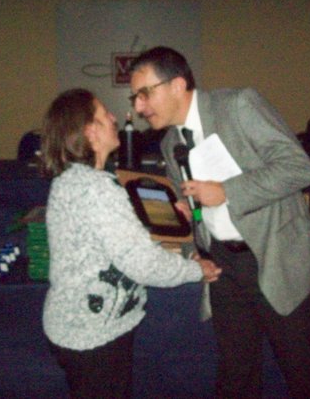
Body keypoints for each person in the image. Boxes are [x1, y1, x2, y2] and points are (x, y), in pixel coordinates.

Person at [128, 47, 310, 398]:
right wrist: (191, 238)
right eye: (135, 97)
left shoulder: (238, 105)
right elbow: (196, 210)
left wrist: (227, 192)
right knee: (236, 373)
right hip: (223, 266)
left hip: (274, 256)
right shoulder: (171, 143)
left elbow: (299, 169)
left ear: (177, 85)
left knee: (303, 373)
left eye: (145, 94)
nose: (139, 107)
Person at [40, 88, 221, 399]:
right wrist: (196, 270)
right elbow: (142, 263)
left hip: (84, 327)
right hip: (91, 335)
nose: (114, 118)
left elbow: (114, 242)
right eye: (105, 114)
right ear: (90, 131)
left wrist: (171, 221)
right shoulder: (94, 188)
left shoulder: (76, 179)